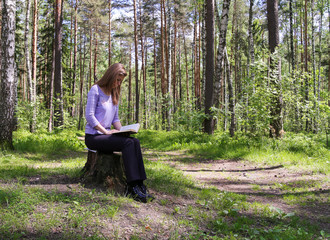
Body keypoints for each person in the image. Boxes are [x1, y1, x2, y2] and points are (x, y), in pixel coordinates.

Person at [84, 63, 154, 203]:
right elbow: (90, 116)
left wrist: (122, 131)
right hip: (94, 136)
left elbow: (115, 119)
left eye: (120, 81)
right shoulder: (95, 90)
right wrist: (106, 132)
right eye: (117, 80)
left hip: (106, 135)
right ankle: (132, 186)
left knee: (134, 141)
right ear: (110, 76)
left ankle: (140, 184)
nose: (118, 83)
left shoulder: (114, 94)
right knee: (128, 144)